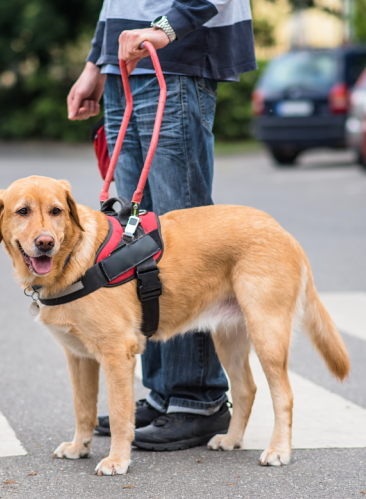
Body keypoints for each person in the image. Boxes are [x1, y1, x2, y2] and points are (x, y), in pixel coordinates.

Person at [66, 1, 256, 451]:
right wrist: (97, 62)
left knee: (185, 240)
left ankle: (197, 399)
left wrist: (166, 30)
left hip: (174, 60)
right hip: (123, 66)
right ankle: (164, 391)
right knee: (133, 241)